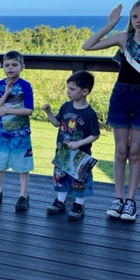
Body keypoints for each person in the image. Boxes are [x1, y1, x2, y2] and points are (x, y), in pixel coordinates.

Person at [82, 0, 140, 221]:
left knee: (134, 152)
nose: (139, 21)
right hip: (121, 96)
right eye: (135, 17)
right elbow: (88, 46)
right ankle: (118, 198)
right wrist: (109, 26)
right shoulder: (124, 39)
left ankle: (131, 201)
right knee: (120, 151)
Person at [42, 71, 100, 221]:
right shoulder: (66, 107)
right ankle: (60, 202)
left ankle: (78, 205)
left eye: (72, 89)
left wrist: (79, 143)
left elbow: (95, 134)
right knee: (61, 178)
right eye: (67, 88)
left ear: (85, 91)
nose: (68, 91)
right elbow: (57, 123)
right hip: (63, 153)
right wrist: (48, 113)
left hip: (81, 155)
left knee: (80, 181)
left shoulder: (89, 114)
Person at [0, 51, 34, 212]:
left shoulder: (25, 86)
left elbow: (29, 110)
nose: (10, 68)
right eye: (7, 65)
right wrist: (6, 93)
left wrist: (8, 111)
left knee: (23, 165)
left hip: (21, 135)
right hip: (2, 134)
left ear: (22, 67)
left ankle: (23, 195)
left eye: (14, 65)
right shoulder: (0, 85)